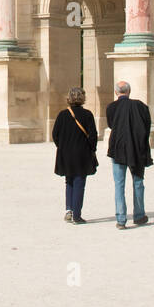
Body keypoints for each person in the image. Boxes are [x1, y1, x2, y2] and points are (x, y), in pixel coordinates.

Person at [105, 80, 152, 230]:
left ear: (116, 92)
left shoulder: (111, 107)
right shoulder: (141, 106)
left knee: (119, 184)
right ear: (129, 91)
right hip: (136, 148)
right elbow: (147, 126)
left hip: (118, 148)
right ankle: (139, 215)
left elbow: (112, 125)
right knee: (138, 183)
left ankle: (121, 219)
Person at [52, 87, 98, 224]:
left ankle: (69, 210)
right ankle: (77, 215)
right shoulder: (87, 114)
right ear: (83, 98)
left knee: (69, 181)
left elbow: (55, 134)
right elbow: (93, 136)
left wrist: (62, 146)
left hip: (65, 153)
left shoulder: (62, 115)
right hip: (81, 153)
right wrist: (92, 149)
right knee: (79, 182)